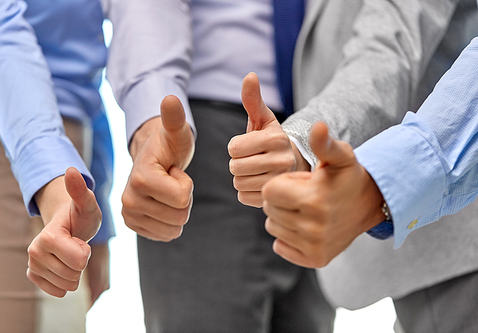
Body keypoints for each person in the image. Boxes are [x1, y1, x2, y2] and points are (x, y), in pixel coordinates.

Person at [104, 0, 476, 331]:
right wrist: (151, 120)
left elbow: (392, 34)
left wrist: (302, 142)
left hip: (328, 132)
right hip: (209, 132)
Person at [228, 0, 478, 331]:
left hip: (455, 247)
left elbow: (389, 46)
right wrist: (298, 146)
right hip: (418, 241)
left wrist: (379, 184)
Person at [0, 0, 114, 331]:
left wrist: (98, 217)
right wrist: (52, 177)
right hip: (5, 140)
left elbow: (85, 69)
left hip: (57, 144)